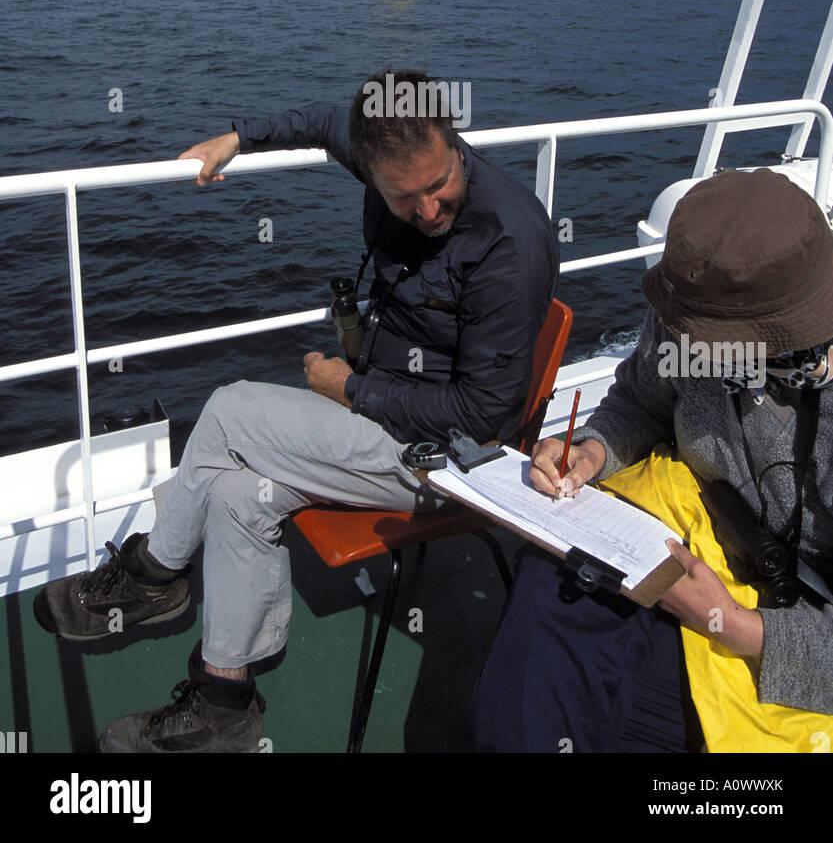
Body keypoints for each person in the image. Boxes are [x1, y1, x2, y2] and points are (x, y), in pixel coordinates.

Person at [34, 68, 558, 753]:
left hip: (452, 459)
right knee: (232, 490)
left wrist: (352, 390)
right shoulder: (375, 148)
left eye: (440, 185)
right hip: (386, 414)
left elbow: (485, 416)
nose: (429, 209)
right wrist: (238, 138)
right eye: (405, 198)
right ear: (371, 171)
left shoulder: (504, 241)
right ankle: (224, 699)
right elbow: (320, 120)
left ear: (452, 140)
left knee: (226, 413)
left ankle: (153, 577)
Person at [474, 167, 833, 753]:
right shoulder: (695, 306)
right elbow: (642, 400)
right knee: (556, 584)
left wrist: (735, 626)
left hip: (797, 631)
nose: (681, 342)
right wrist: (590, 452)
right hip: (707, 546)